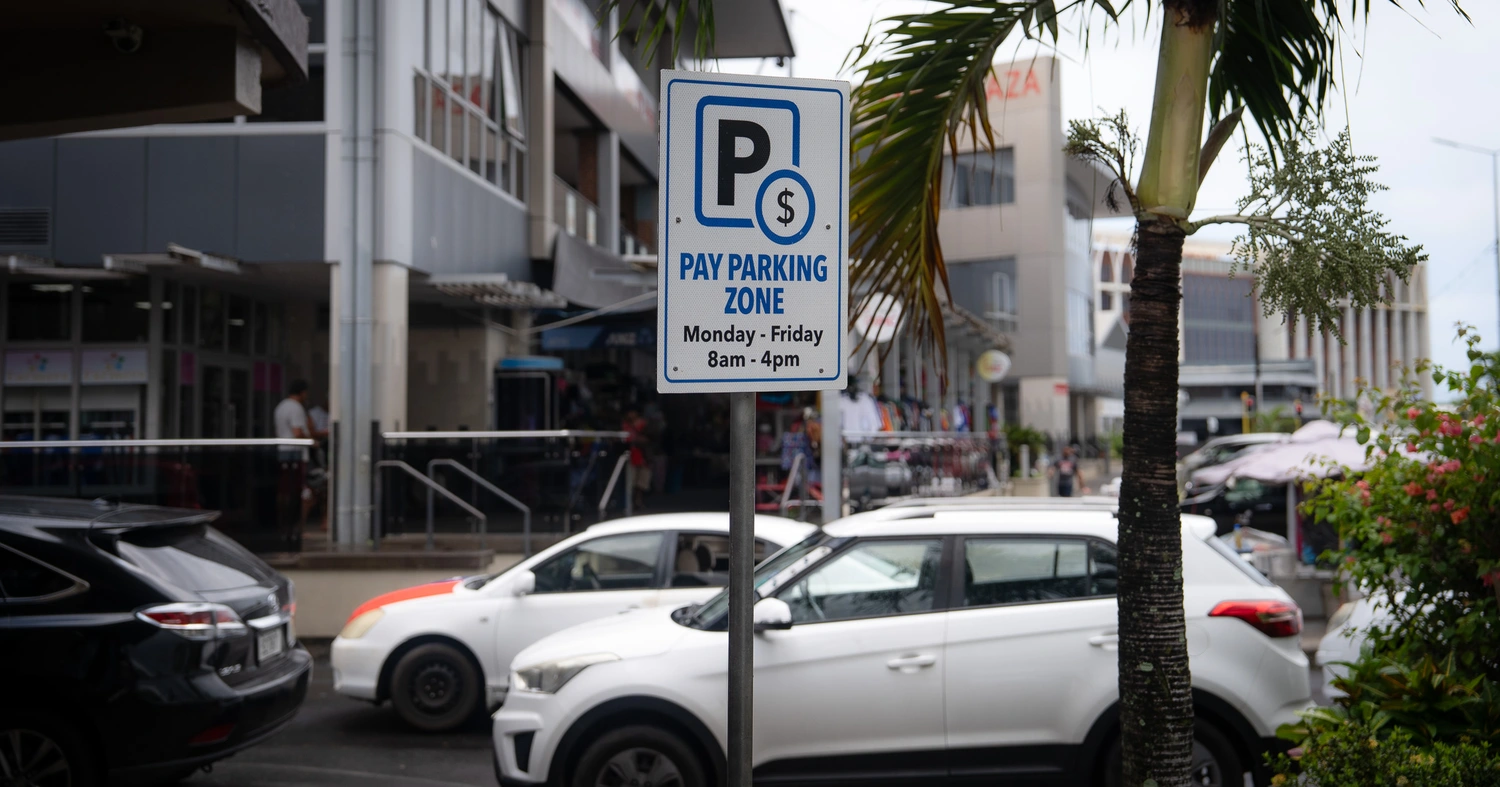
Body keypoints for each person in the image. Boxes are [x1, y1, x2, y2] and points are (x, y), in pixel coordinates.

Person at [274, 380, 315, 547]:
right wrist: (312, 441)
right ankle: (297, 527)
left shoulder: (281, 407)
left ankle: (284, 526)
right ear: (302, 393)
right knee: (300, 492)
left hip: (282, 452)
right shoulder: (296, 408)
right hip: (295, 454)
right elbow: (297, 433)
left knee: (284, 492)